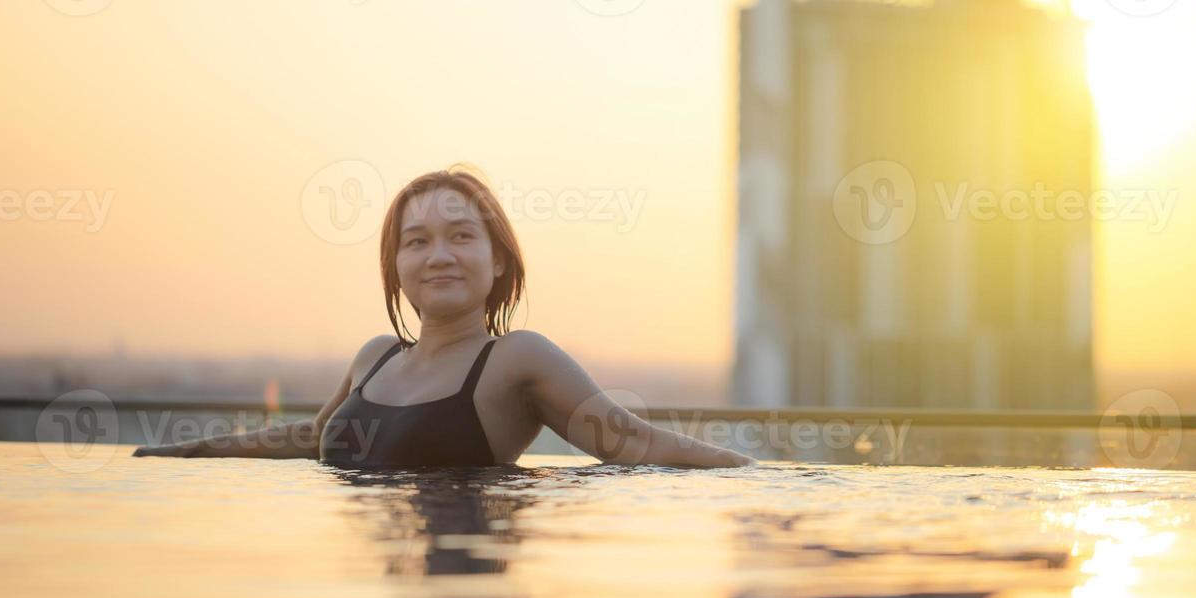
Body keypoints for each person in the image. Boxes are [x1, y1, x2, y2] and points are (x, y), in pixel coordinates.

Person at [133, 166, 753, 469]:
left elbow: (634, 442)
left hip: (467, 596)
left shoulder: (515, 359)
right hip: (369, 595)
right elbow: (305, 438)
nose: (439, 256)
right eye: (417, 241)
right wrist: (192, 453)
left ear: (498, 261)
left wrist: (766, 476)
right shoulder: (373, 356)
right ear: (395, 265)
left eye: (461, 236)